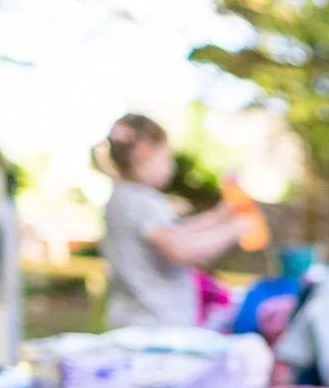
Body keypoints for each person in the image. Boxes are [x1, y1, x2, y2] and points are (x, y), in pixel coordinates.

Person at [94, 115, 252, 329]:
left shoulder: (124, 198)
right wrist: (234, 229)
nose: (171, 167)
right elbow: (180, 248)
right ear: (144, 152)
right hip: (155, 328)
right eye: (167, 157)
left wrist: (219, 216)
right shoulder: (142, 202)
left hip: (136, 324)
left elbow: (177, 233)